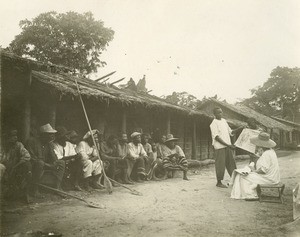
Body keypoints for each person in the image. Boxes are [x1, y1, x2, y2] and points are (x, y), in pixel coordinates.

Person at [230, 132, 280, 200]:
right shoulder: (271, 151)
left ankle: (250, 195)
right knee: (245, 174)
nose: (256, 148)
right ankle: (249, 192)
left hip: (268, 179)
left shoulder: (266, 155)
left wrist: (253, 170)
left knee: (241, 175)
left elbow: (263, 170)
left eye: (258, 146)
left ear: (261, 147)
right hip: (273, 177)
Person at [26, 124, 65, 196]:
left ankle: (57, 187)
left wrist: (54, 163)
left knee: (61, 162)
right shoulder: (32, 141)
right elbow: (31, 157)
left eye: (53, 134)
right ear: (43, 135)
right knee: (40, 163)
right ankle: (35, 190)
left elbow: (53, 157)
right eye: (50, 134)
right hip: (34, 165)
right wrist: (47, 165)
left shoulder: (49, 144)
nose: (52, 136)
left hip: (45, 164)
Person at [210, 107, 244, 188]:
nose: (220, 114)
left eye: (221, 112)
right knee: (220, 164)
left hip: (227, 146)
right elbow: (216, 137)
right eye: (218, 113)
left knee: (231, 163)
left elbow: (231, 132)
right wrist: (228, 145)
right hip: (220, 147)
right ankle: (219, 182)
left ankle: (235, 179)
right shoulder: (213, 123)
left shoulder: (224, 121)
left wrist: (239, 129)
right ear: (214, 114)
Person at [1, 130, 32, 202]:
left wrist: (16, 165)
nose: (15, 138)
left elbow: (27, 156)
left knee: (27, 166)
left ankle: (25, 194)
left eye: (16, 136)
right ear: (7, 138)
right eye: (12, 136)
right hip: (5, 168)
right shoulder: (2, 146)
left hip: (16, 167)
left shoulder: (19, 145)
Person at [52, 126, 82, 191]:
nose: (66, 137)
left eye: (66, 135)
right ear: (59, 137)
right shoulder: (55, 145)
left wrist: (76, 157)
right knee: (63, 164)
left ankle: (75, 184)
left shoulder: (69, 144)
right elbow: (58, 158)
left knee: (78, 162)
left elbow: (73, 155)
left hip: (69, 162)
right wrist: (73, 157)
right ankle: (62, 185)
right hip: (60, 164)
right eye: (63, 136)